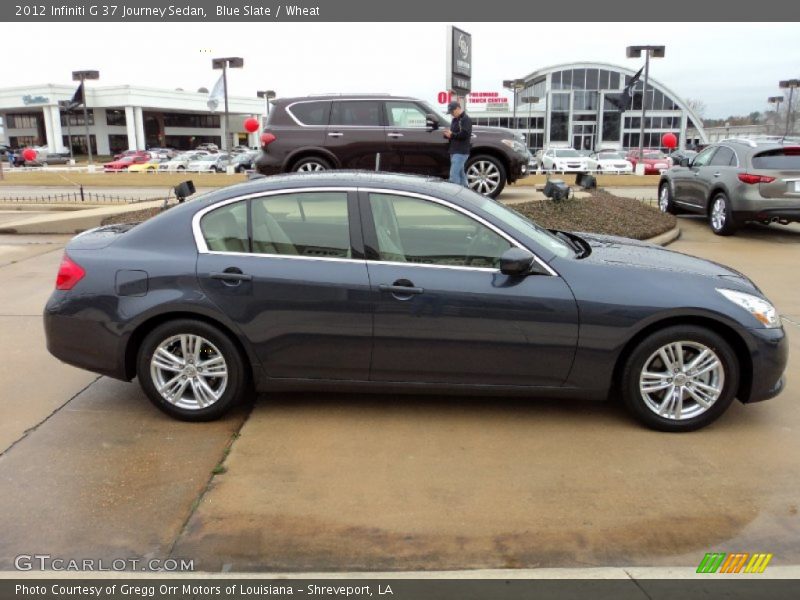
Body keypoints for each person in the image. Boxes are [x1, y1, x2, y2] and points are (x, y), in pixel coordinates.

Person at [444, 100, 472, 187]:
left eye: (452, 111)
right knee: (461, 175)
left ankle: (453, 197)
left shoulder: (465, 119)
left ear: (458, 109)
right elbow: (454, 134)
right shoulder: (455, 120)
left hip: (461, 152)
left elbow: (465, 134)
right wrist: (448, 135)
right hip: (454, 151)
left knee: (453, 176)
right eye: (450, 112)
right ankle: (467, 195)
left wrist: (452, 135)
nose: (451, 114)